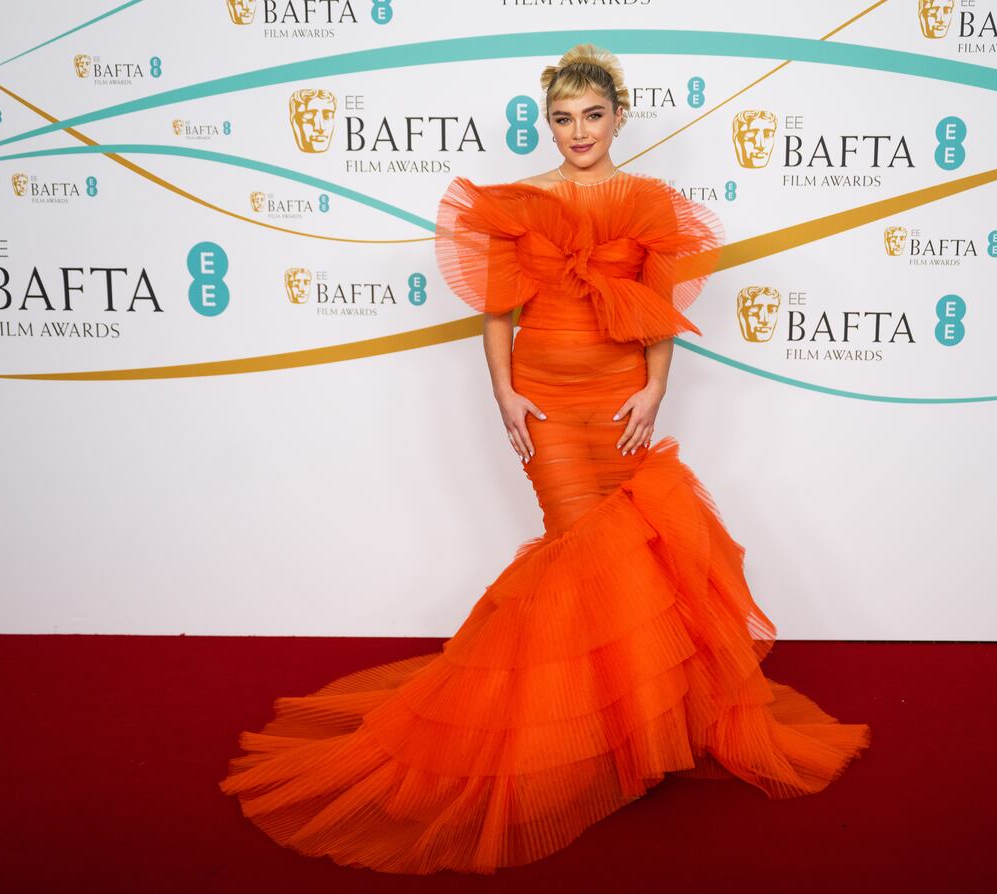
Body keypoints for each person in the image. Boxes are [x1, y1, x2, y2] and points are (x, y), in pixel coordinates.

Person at [217, 43, 871, 876]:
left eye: (592, 115)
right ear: (547, 123)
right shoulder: (520, 202)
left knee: (632, 560)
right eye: (562, 118)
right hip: (547, 397)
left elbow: (661, 311)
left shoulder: (648, 201)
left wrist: (653, 392)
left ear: (619, 117)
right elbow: (496, 313)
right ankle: (592, 735)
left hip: (618, 394)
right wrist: (504, 394)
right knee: (580, 555)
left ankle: (629, 734)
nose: (577, 131)